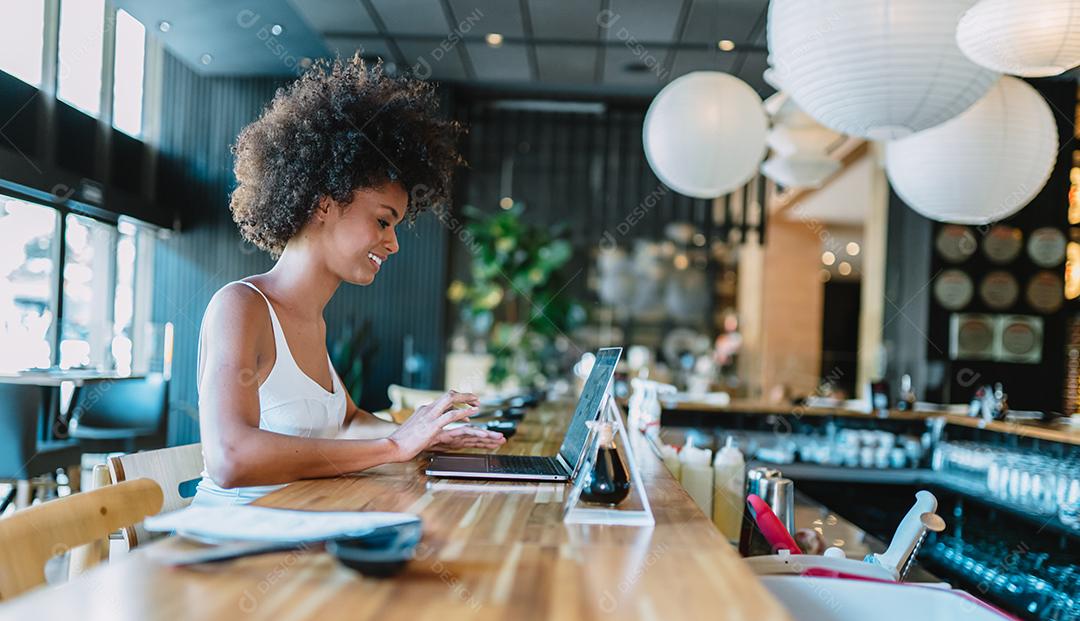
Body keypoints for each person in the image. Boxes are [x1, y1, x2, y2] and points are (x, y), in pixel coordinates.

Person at [192, 57, 504, 506]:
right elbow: (229, 457)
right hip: (230, 551)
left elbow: (347, 420)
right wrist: (394, 447)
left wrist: (422, 434)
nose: (393, 243)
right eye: (382, 221)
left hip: (299, 532)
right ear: (323, 205)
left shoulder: (312, 320)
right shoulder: (241, 305)